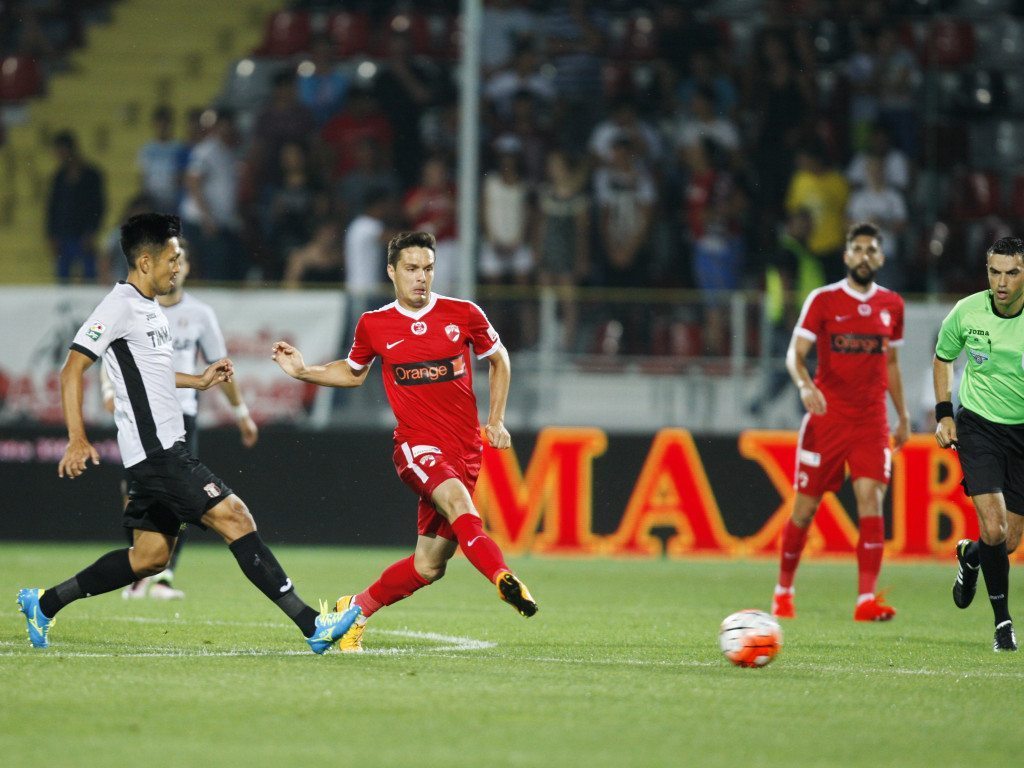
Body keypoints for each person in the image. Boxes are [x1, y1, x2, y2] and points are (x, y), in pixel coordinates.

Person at [16, 213, 358, 654]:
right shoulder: (118, 306)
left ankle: (44, 603)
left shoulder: (150, 308)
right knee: (236, 517)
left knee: (149, 558)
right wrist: (77, 438)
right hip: (158, 453)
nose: (178, 267)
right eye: (172, 259)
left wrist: (198, 381)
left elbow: (151, 372)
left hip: (159, 451)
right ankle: (313, 624)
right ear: (145, 261)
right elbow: (71, 369)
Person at [272, 231, 538, 653]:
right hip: (417, 447)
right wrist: (305, 372)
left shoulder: (463, 313)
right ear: (391, 272)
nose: (421, 278)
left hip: (466, 451)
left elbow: (499, 359)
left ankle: (352, 609)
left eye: (428, 269)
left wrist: (496, 420)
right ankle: (503, 578)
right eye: (411, 269)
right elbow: (354, 373)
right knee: (459, 504)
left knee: (429, 566)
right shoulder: (374, 324)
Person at [770, 222, 910, 622]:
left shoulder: (892, 305)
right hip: (826, 419)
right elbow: (795, 355)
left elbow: (892, 363)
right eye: (858, 249)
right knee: (804, 509)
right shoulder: (824, 300)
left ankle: (865, 600)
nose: (864, 256)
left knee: (871, 501)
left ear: (881, 258)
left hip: (870, 422)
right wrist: (804, 385)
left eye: (872, 250)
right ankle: (783, 591)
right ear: (847, 255)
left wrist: (901, 415)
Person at [114, 240, 259, 600]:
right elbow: (113, 357)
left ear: (187, 268)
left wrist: (241, 413)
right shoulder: (135, 310)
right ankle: (141, 569)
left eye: (180, 261)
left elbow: (220, 365)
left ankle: (165, 576)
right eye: (169, 260)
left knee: (182, 497)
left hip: (181, 416)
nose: (175, 268)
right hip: (140, 416)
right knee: (133, 495)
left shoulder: (200, 314)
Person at [934, 236, 1024, 652]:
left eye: (1012, 273)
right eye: (994, 272)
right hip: (979, 426)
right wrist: (944, 414)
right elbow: (943, 357)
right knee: (994, 527)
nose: (1001, 282)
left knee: (1007, 542)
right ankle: (1003, 623)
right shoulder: (967, 312)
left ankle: (971, 557)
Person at [46, 130, 107, 282]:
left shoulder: (92, 176)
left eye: (62, 152)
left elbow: (98, 206)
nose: (60, 156)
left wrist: (92, 231)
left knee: (89, 277)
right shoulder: (59, 177)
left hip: (84, 235)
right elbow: (52, 207)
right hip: (63, 235)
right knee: (63, 278)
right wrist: (52, 234)